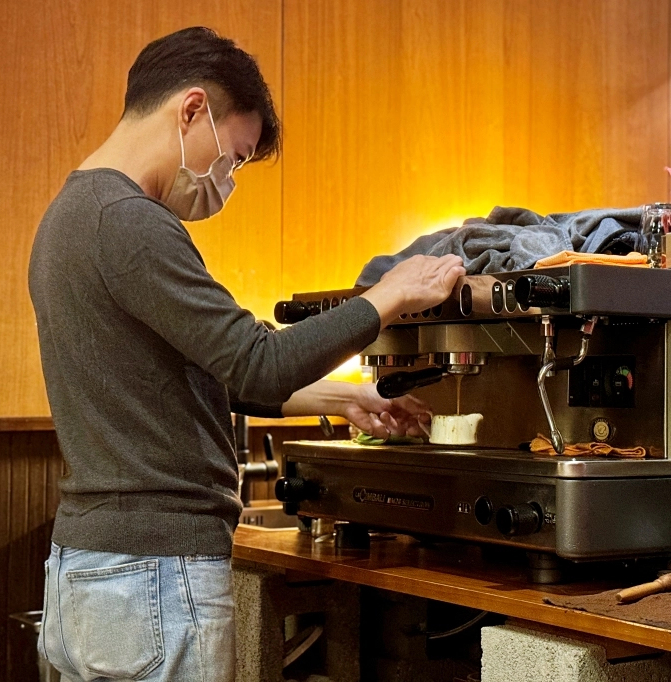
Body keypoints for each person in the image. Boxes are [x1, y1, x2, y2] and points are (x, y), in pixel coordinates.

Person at [28, 26, 464, 682]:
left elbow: (201, 373)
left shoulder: (69, 215)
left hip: (88, 568)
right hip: (154, 576)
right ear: (192, 109)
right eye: (232, 157)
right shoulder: (130, 224)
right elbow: (258, 361)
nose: (226, 181)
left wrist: (346, 397)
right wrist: (389, 296)